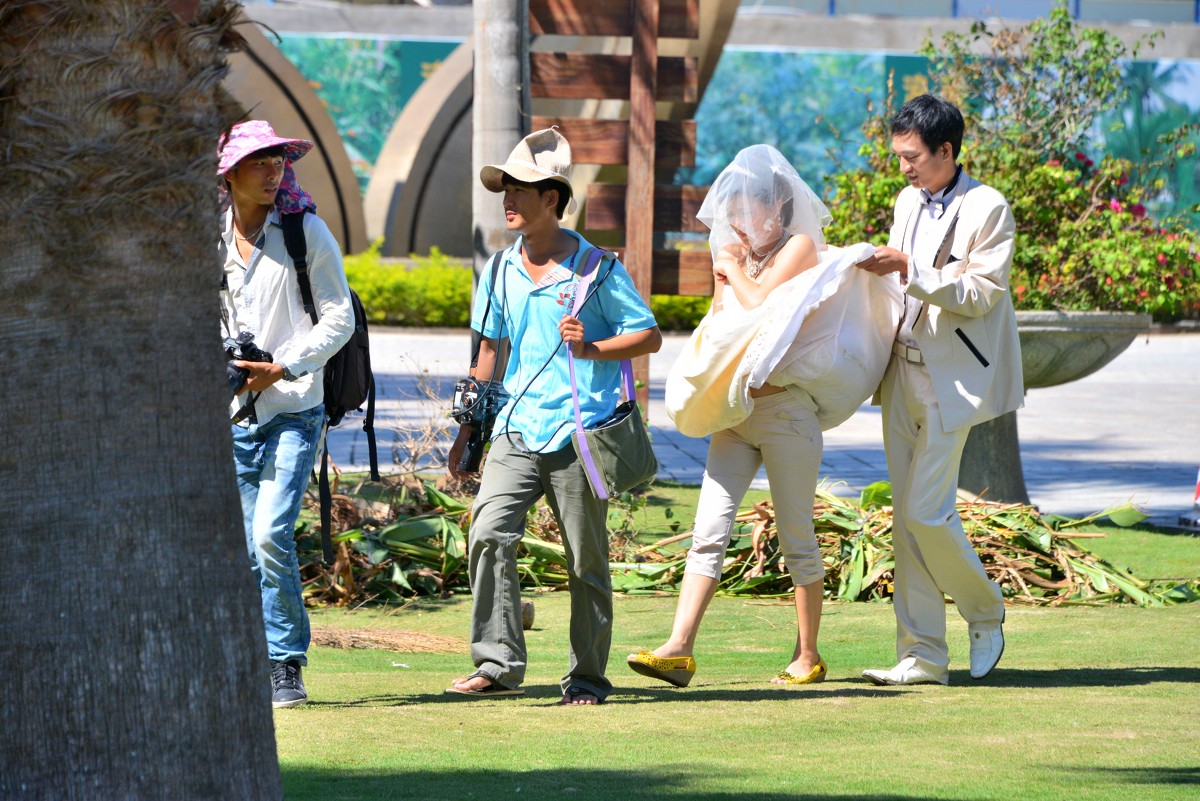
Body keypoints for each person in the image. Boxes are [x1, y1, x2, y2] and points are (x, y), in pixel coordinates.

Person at [626, 145, 897, 688]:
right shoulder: (736, 255)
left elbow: (760, 310)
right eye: (732, 213)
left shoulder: (799, 246)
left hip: (786, 412)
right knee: (708, 531)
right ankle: (678, 648)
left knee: (796, 533)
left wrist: (728, 268)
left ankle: (808, 653)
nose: (736, 222)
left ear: (776, 208)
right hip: (736, 412)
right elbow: (723, 330)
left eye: (747, 210)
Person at [446, 128, 662, 705]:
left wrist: (591, 347)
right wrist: (468, 432)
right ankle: (497, 663)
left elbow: (649, 334)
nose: (509, 199)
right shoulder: (497, 271)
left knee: (586, 560)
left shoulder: (597, 269)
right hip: (516, 427)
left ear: (553, 199)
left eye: (523, 189)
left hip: (580, 434)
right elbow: (490, 354)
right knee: (489, 533)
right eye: (506, 189)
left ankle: (587, 677)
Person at [856, 94, 1022, 686]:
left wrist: (911, 271)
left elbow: (981, 294)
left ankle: (985, 611)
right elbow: (902, 283)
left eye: (913, 156)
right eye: (899, 155)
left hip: (952, 377)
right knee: (906, 519)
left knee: (928, 512)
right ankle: (923, 656)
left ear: (946, 151)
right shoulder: (907, 199)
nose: (903, 167)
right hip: (899, 372)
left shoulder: (989, 207)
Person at [218, 120, 355, 707]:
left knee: (271, 533)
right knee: (248, 545)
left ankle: (286, 663)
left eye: (279, 162)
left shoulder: (306, 231)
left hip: (297, 406)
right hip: (232, 415)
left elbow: (339, 318)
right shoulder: (209, 241)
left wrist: (284, 365)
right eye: (260, 163)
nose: (274, 172)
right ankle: (258, 655)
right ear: (230, 174)